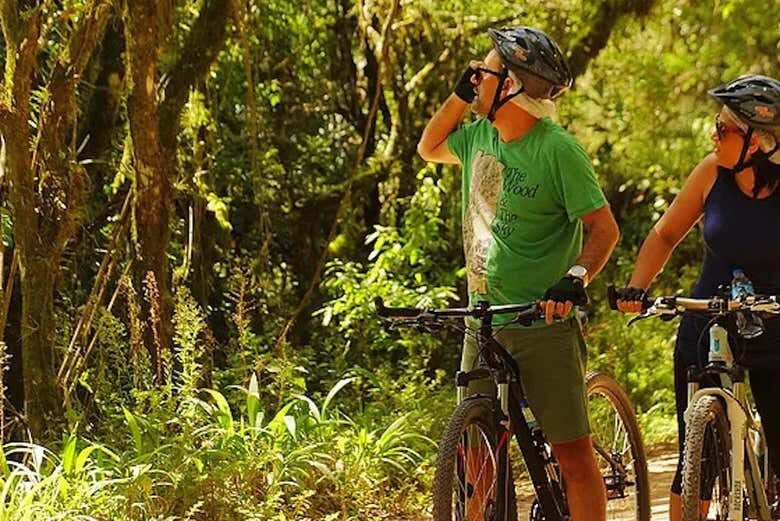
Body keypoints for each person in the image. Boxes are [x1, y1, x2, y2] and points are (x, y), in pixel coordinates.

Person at [417, 26, 619, 521]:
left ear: (508, 85)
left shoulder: (558, 150)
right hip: (483, 320)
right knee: (476, 456)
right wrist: (461, 95)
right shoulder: (479, 137)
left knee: (573, 457)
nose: (474, 78)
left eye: (483, 73)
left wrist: (575, 278)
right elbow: (429, 146)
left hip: (542, 322)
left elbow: (604, 229)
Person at [614, 74, 780, 520]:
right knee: (695, 465)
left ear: (757, 142)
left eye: (723, 129)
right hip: (707, 323)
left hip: (774, 328)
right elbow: (665, 234)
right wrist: (638, 287)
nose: (713, 134)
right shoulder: (711, 173)